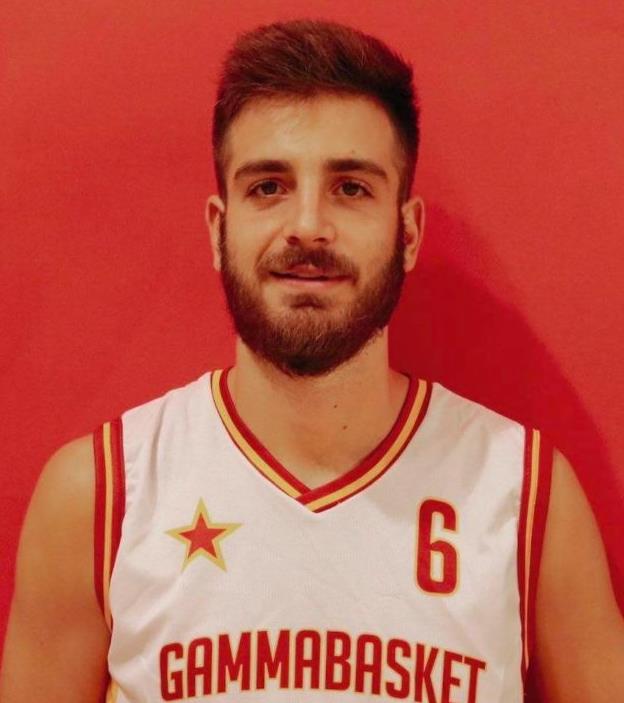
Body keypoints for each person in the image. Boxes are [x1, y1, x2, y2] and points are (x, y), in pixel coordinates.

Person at [1, 18, 622, 703]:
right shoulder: (101, 496)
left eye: (350, 188)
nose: (307, 226)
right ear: (219, 229)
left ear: (408, 233)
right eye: (268, 186)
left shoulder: (525, 494)